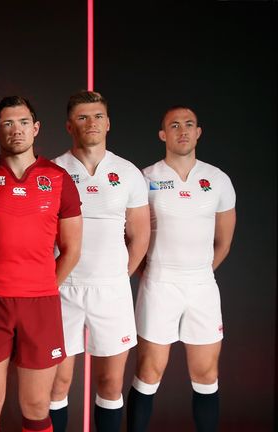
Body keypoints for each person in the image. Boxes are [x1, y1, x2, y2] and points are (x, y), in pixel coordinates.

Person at [0, 97, 83, 432]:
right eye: (9, 124)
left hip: (40, 305)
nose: (17, 130)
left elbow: (71, 249)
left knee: (38, 406)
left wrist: (43, 285)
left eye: (24, 122)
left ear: (36, 128)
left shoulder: (58, 178)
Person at [127, 106, 236, 432]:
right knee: (149, 372)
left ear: (198, 132)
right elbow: (131, 235)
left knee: (206, 374)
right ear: (163, 134)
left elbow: (223, 242)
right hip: (159, 284)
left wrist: (200, 272)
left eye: (189, 124)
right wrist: (154, 271)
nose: (183, 130)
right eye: (174, 125)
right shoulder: (145, 178)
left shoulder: (217, 179)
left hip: (202, 286)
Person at [50, 91, 150, 432]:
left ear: (107, 123)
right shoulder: (52, 171)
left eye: (97, 116)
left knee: (110, 384)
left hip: (111, 291)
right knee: (58, 384)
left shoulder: (128, 173)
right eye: (82, 117)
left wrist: (118, 276)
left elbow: (139, 236)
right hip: (63, 290)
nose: (90, 123)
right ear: (68, 125)